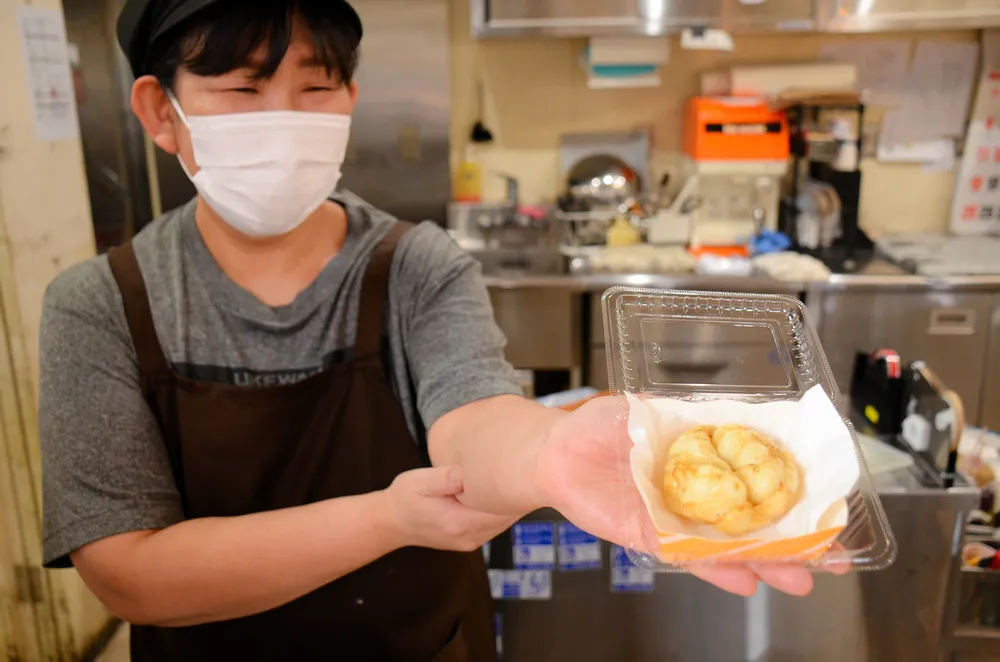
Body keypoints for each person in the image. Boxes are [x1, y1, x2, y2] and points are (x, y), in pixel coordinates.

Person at [38, 1, 815, 659]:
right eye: (242, 88)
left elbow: (474, 419)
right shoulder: (101, 305)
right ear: (158, 112)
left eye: (315, 87)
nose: (284, 120)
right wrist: (387, 517)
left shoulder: (417, 266)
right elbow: (130, 574)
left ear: (349, 99)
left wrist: (544, 454)